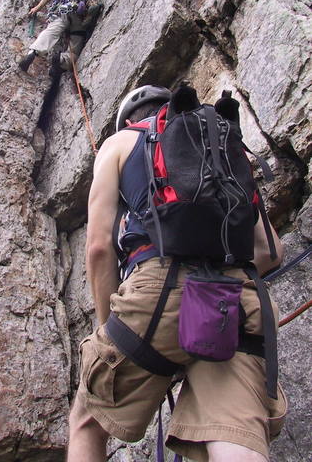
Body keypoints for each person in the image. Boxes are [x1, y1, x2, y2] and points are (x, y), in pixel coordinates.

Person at [67, 85, 287, 462]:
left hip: (157, 294)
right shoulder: (220, 143)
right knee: (231, 433)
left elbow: (99, 247)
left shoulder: (120, 143)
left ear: (130, 120)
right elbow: (270, 252)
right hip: (235, 300)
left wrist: (114, 332)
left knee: (87, 421)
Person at [19, 0, 100, 76]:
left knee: (51, 32)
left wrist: (37, 8)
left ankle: (33, 52)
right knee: (76, 46)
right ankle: (61, 62)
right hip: (80, 16)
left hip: (64, 12)